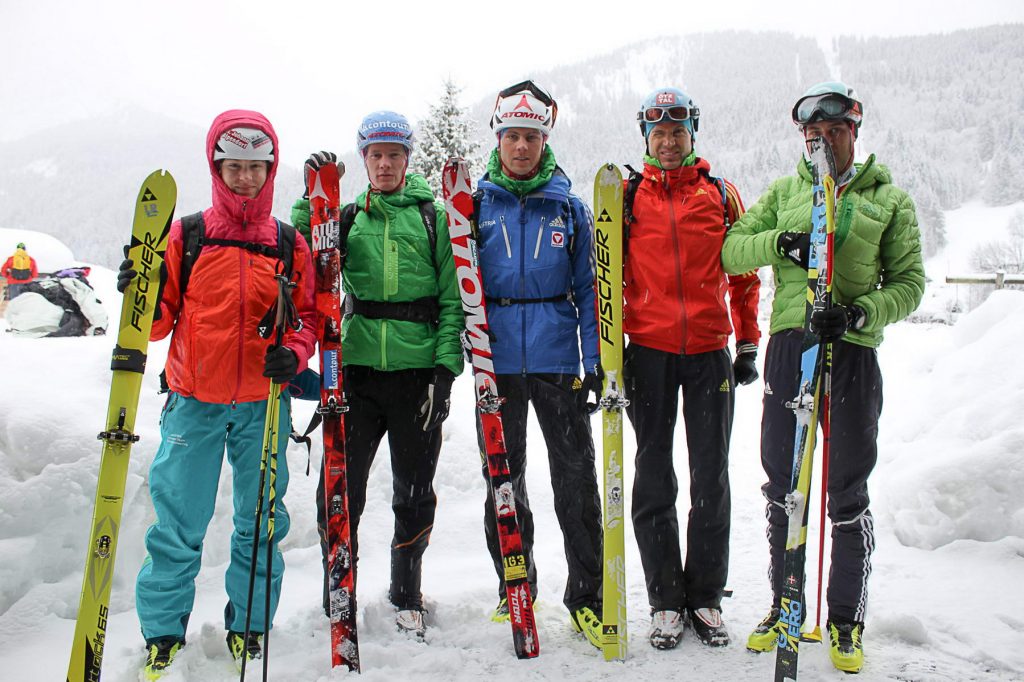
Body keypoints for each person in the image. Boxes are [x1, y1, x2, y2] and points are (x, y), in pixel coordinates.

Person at [721, 81, 925, 673]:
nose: (824, 141)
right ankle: (786, 604)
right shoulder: (786, 190)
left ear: (854, 133)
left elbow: (909, 283)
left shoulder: (888, 199)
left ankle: (845, 621)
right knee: (783, 483)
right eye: (814, 133)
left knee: (846, 487)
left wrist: (863, 311)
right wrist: (779, 240)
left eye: (835, 131)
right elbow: (732, 251)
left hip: (852, 351)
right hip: (792, 346)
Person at [118, 110, 317, 678]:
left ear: (270, 169)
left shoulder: (287, 242)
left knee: (260, 520)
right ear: (217, 167)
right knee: (179, 522)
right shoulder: (190, 233)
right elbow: (156, 324)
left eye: (257, 168)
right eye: (236, 167)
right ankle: (161, 633)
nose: (247, 179)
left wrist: (296, 353)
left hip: (263, 403)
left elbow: (306, 317)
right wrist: (141, 288)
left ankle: (249, 626)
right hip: (193, 398)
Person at [289, 111, 464, 639]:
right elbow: (300, 249)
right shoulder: (346, 218)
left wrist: (444, 372)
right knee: (340, 490)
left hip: (415, 375)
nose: (384, 164)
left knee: (414, 489)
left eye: (393, 154)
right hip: (356, 372)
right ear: (363, 160)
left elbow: (454, 298)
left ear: (408, 158)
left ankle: (406, 590)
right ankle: (337, 584)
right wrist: (309, 195)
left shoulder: (432, 218)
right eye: (374, 155)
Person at [622, 87, 761, 650]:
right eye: (659, 133)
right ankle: (664, 600)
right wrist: (608, 356)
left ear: (692, 134)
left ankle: (704, 596)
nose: (669, 140)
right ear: (647, 139)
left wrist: (748, 343)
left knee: (711, 477)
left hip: (708, 353)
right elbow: (606, 277)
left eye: (678, 131)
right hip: (649, 352)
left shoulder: (721, 195)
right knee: (654, 475)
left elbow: (744, 275)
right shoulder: (628, 196)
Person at [472, 80, 604, 650]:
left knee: (574, 478)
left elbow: (589, 288)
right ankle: (514, 584)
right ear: (498, 140)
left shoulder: (568, 208)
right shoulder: (473, 206)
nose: (521, 146)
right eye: (512, 137)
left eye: (530, 137)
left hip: (556, 358)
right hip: (495, 359)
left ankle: (588, 596)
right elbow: (460, 286)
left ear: (544, 140)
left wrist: (594, 362)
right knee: (504, 479)